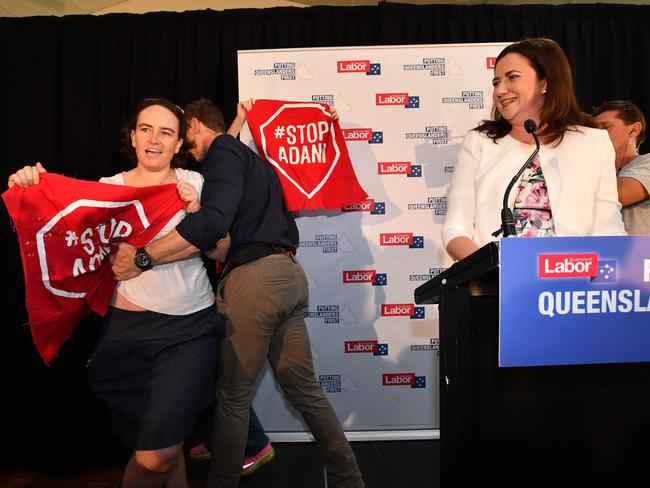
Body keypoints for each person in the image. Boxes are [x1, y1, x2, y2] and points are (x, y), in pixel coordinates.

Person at [7, 98, 268, 487]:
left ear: (180, 143)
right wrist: (29, 187)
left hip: (190, 331)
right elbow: (56, 237)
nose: (154, 139)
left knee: (155, 455)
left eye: (166, 132)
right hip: (128, 333)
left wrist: (197, 212)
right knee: (167, 450)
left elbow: (223, 249)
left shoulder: (194, 183)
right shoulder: (107, 189)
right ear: (132, 135)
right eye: (146, 129)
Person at [111, 98, 365, 488]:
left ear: (191, 128)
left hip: (256, 282)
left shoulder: (224, 153)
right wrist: (238, 121)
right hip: (288, 276)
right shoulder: (244, 157)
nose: (188, 155)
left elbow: (214, 222)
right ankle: (349, 479)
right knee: (306, 391)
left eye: (181, 136)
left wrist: (144, 258)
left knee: (230, 398)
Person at [442, 38, 626, 261]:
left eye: (512, 77)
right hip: (498, 286)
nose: (500, 90)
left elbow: (607, 228)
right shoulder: (479, 142)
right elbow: (455, 228)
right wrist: (494, 272)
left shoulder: (594, 142)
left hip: (573, 282)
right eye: (495, 82)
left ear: (545, 82)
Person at [593, 100, 650, 235]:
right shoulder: (593, 171)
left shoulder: (647, 162)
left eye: (605, 127)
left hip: (640, 254)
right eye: (594, 130)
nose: (597, 134)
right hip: (601, 252)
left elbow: (614, 195)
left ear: (634, 129)